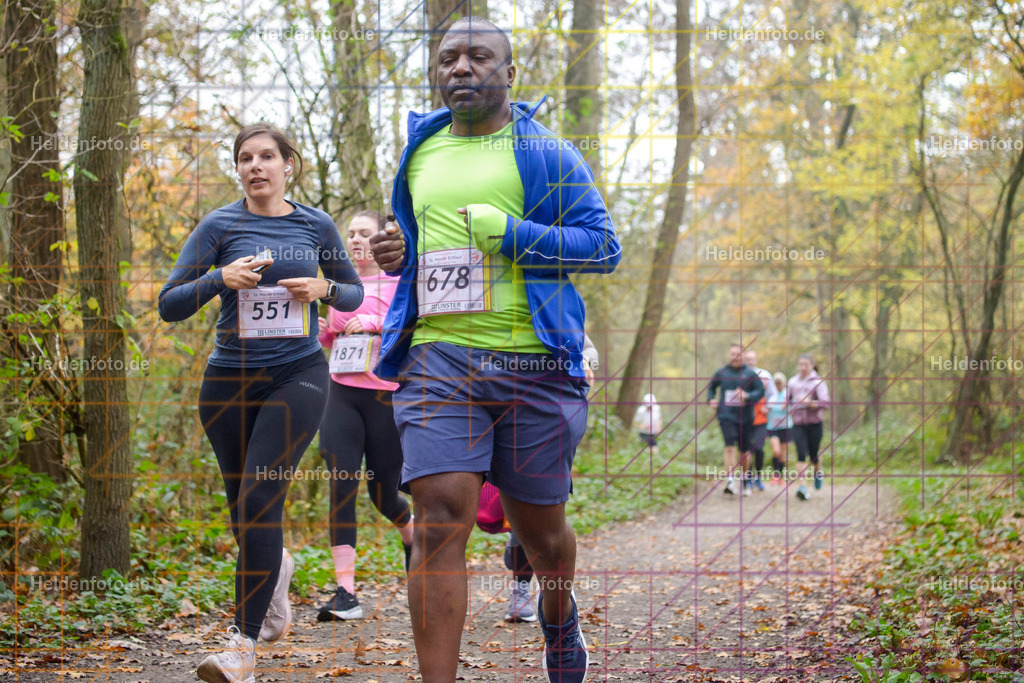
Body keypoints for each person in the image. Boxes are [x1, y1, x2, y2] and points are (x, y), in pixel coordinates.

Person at [368, 16, 621, 683]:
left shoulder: (547, 154)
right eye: (448, 57)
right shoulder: (419, 153)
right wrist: (400, 256)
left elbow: (603, 245)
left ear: (509, 73)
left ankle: (558, 617)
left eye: (479, 57)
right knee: (438, 517)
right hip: (438, 357)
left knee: (542, 535)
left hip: (534, 362)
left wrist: (514, 234)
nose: (461, 67)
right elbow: (423, 252)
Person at [159, 123, 363, 683]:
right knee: (244, 511)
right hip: (227, 379)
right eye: (245, 158)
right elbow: (168, 304)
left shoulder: (315, 223)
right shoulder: (219, 224)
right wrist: (219, 279)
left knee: (257, 501)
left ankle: (241, 648)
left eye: (267, 156)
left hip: (298, 374)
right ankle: (277, 574)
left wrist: (324, 291)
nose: (256, 166)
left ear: (287, 165)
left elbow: (354, 291)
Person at [315, 209, 415, 622]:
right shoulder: (338, 286)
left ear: (381, 240)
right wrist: (323, 331)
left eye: (365, 234)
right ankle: (345, 593)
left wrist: (374, 323)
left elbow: (412, 328)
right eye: (351, 234)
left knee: (382, 493)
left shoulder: (401, 281)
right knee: (341, 485)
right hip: (340, 393)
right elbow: (335, 338)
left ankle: (412, 537)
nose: (356, 240)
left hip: (385, 398)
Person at [475, 335, 600, 625]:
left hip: (541, 417)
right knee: (490, 509)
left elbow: (589, 349)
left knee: (533, 520)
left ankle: (521, 591)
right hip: (484, 410)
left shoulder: (548, 304)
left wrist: (584, 362)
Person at [707, 344, 765, 496]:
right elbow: (711, 387)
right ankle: (730, 480)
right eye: (732, 354)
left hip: (745, 417)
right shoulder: (722, 372)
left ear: (744, 356)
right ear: (729, 354)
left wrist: (747, 396)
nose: (735, 357)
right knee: (729, 447)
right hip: (726, 415)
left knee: (744, 451)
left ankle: (745, 480)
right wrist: (711, 399)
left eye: (738, 354)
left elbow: (760, 391)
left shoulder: (750, 374)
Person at [788, 354, 830, 500]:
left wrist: (810, 403)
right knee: (800, 453)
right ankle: (803, 486)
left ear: (812, 365)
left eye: (806, 364)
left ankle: (818, 472)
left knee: (813, 455)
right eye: (801, 364)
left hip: (815, 424)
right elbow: (787, 401)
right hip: (798, 424)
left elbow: (825, 403)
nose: (803, 368)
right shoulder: (792, 382)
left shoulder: (818, 382)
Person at [742, 349, 778, 491]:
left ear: (756, 360)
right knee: (746, 451)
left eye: (752, 359)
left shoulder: (764, 375)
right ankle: (748, 478)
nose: (750, 362)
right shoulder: (739, 375)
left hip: (761, 419)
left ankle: (758, 476)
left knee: (758, 448)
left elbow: (773, 394)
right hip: (744, 419)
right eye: (748, 359)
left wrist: (769, 407)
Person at [765, 372, 791, 484]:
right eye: (776, 384)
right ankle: (775, 474)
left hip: (785, 427)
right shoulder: (771, 396)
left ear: (784, 383)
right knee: (776, 450)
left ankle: (780, 476)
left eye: (780, 383)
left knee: (783, 454)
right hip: (773, 427)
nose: (778, 386)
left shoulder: (788, 395)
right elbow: (767, 409)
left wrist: (788, 405)